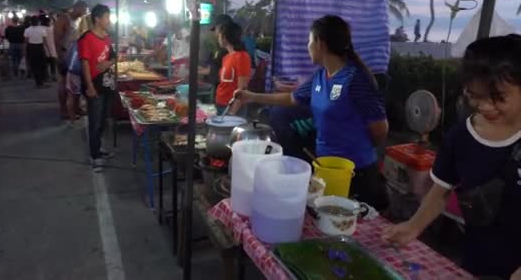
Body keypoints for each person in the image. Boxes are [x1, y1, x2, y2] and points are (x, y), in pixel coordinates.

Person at [383, 35, 521, 279]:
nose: (486, 106)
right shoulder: (461, 138)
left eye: (498, 97)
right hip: (477, 263)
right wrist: (413, 226)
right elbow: (441, 190)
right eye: (475, 96)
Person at [236, 15, 389, 210]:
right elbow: (292, 98)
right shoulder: (320, 76)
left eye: (309, 41)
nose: (307, 46)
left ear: (320, 43)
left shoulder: (356, 79)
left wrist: (355, 149)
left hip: (355, 173)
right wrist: (251, 96)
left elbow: (380, 129)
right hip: (324, 168)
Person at [79, 4, 116, 171]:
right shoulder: (86, 39)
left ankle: (98, 147)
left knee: (102, 121)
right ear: (97, 19)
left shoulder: (107, 37)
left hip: (108, 84)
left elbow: (114, 57)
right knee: (94, 122)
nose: (109, 20)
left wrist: (108, 62)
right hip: (94, 85)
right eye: (107, 17)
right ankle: (94, 157)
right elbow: (85, 64)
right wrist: (89, 86)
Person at [54, 1, 88, 119]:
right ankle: (63, 110)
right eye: (83, 10)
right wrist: (60, 56)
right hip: (64, 55)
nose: (84, 13)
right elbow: (57, 39)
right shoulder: (64, 19)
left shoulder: (79, 20)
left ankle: (76, 107)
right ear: (77, 8)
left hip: (75, 56)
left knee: (76, 83)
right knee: (63, 83)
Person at [215, 21, 251, 115]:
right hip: (221, 104)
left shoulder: (242, 57)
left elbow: (242, 89)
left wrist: (232, 113)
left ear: (225, 37)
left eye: (219, 35)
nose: (217, 38)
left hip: (233, 108)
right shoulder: (226, 57)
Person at [24, 16, 49, 88]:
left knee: (34, 65)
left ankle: (38, 81)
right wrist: (48, 50)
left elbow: (26, 42)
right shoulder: (42, 30)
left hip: (31, 48)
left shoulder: (27, 30)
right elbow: (45, 41)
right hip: (40, 48)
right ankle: (42, 81)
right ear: (38, 22)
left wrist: (25, 51)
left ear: (30, 22)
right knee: (42, 64)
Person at [40, 15, 58, 82]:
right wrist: (53, 17)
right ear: (48, 22)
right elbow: (56, 24)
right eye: (50, 21)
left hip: (43, 48)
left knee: (45, 64)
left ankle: (46, 76)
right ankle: (53, 76)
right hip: (52, 48)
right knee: (53, 64)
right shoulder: (52, 28)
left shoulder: (41, 28)